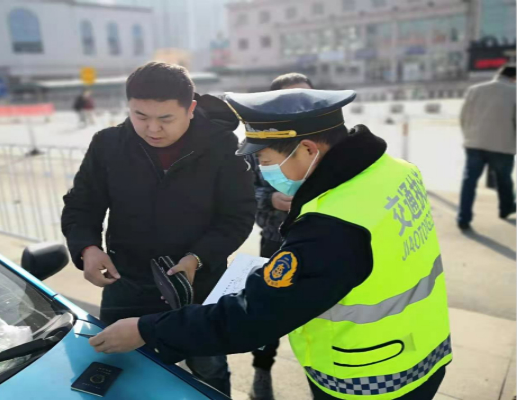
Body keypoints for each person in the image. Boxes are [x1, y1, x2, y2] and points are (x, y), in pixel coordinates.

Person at [88, 88, 453, 400]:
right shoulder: (395, 170)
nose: (263, 171)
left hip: (369, 372)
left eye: (265, 160)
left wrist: (146, 329)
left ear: (307, 149)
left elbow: (252, 318)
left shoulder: (332, 224)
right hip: (423, 347)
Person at [61, 62, 256, 396]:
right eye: (140, 116)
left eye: (166, 118)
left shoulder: (222, 147)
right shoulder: (108, 144)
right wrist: (87, 248)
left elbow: (237, 216)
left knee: (208, 370)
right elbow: (82, 204)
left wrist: (197, 258)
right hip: (127, 285)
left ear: (190, 108)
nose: (153, 129)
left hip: (197, 289)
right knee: (119, 371)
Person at [247, 72, 314, 400]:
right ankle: (262, 371)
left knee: (321, 312)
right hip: (276, 240)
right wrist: (270, 198)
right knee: (269, 311)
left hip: (323, 240)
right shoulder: (257, 142)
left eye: (307, 99)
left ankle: (322, 377)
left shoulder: (330, 141)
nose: (300, 107)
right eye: (290, 100)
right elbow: (241, 193)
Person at [458, 64, 516, 230]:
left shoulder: (475, 89)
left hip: (474, 143)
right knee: (504, 179)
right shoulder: (514, 91)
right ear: (514, 78)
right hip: (502, 145)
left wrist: (469, 136)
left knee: (469, 181)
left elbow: (463, 116)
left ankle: (463, 217)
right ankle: (505, 209)